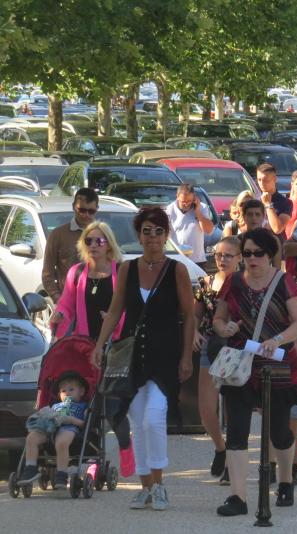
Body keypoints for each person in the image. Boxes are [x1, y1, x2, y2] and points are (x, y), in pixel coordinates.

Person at [92, 206, 195, 511]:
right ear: (138, 235)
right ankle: (145, 486)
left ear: (166, 235)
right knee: (137, 419)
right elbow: (115, 310)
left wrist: (186, 356)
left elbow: (189, 315)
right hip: (134, 356)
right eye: (146, 231)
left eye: (159, 231)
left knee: (154, 416)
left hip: (165, 355)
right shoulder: (128, 269)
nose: (152, 237)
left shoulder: (177, 270)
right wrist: (100, 344)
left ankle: (160, 485)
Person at [212, 228, 297, 514]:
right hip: (240, 364)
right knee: (237, 431)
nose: (252, 259)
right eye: (247, 253)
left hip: (277, 364)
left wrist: (277, 339)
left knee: (279, 431)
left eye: (258, 253)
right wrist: (224, 328)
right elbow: (218, 319)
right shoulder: (234, 282)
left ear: (270, 254)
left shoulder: (284, 282)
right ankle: (238, 497)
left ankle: (286, 481)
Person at [50, 221, 134, 477]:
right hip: (86, 346)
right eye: (89, 240)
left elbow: (131, 307)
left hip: (115, 347)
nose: (94, 245)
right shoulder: (77, 273)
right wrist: (59, 315)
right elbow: (67, 304)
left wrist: (114, 320)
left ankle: (126, 447)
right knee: (91, 405)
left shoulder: (121, 271)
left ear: (109, 244)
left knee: (113, 406)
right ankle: (94, 459)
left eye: (100, 240)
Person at [192, 236, 241, 483]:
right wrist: (193, 332)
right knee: (206, 409)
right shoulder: (206, 283)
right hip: (210, 346)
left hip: (236, 349)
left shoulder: (244, 283)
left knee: (233, 409)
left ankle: (233, 460)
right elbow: (195, 314)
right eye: (219, 254)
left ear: (239, 258)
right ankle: (220, 448)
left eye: (228, 255)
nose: (222, 259)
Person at [19, 371, 88, 488]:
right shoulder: (55, 406)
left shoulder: (84, 406)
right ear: (59, 394)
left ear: (81, 392)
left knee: (61, 442)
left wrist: (71, 419)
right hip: (49, 428)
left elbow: (84, 424)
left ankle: (62, 473)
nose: (67, 393)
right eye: (63, 391)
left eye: (71, 389)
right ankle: (30, 468)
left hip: (69, 428)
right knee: (31, 438)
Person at [42, 188, 98, 303]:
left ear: (97, 209)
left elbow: (113, 269)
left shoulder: (103, 235)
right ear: (73, 207)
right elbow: (47, 273)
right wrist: (58, 299)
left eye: (91, 211)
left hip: (97, 301)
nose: (86, 215)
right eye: (81, 210)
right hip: (69, 301)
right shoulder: (58, 234)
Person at [166, 184, 214, 271]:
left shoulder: (202, 207)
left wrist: (197, 212)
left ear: (194, 198)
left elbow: (208, 230)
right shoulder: (169, 210)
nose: (186, 204)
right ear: (177, 196)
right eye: (183, 201)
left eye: (189, 201)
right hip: (176, 259)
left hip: (197, 260)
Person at [256, 163, 292, 237]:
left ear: (275, 179)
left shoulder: (285, 202)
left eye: (266, 180)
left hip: (275, 242)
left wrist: (268, 204)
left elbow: (277, 229)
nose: (262, 183)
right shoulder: (255, 201)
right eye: (259, 180)